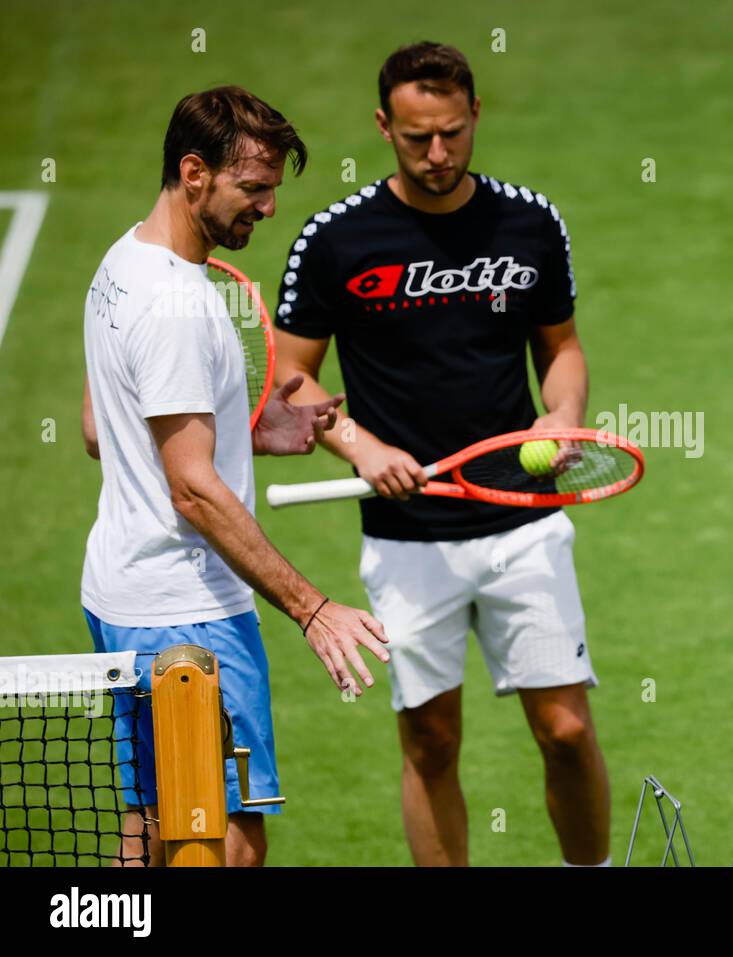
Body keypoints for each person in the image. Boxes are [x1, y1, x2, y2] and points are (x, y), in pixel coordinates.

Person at [272, 42, 609, 866]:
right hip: (406, 536)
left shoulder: (529, 221)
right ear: (384, 125)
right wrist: (359, 445)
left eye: (453, 133)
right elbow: (288, 378)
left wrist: (560, 418)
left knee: (565, 728)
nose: (437, 154)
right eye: (417, 136)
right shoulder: (336, 240)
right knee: (430, 742)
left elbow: (561, 349)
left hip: (522, 518)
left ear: (475, 115)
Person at [81, 86, 390, 867]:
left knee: (152, 819)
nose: (269, 207)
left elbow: (99, 429)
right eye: (253, 188)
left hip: (123, 596)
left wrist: (248, 432)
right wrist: (312, 607)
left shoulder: (122, 262)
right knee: (230, 840)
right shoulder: (176, 304)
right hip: (187, 615)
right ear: (194, 173)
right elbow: (190, 490)